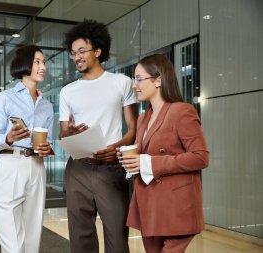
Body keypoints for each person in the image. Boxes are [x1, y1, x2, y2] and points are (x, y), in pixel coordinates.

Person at [59, 19, 137, 253]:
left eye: (82, 51)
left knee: (117, 237)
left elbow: (133, 128)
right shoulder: (67, 91)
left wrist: (115, 149)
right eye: (73, 53)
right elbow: (63, 133)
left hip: (111, 168)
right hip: (78, 169)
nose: (77, 57)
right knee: (80, 237)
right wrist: (69, 133)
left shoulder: (121, 83)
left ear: (98, 51)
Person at [118, 54, 209, 253]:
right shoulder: (143, 118)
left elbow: (200, 156)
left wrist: (149, 163)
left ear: (158, 80)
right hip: (148, 204)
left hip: (176, 205)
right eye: (134, 79)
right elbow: (142, 159)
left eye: (139, 79)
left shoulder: (181, 111)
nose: (135, 85)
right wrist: (131, 161)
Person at [0, 45, 54, 253]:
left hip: (37, 166)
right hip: (11, 165)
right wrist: (8, 137)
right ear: (25, 65)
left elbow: (49, 141)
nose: (43, 66)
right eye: (37, 62)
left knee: (32, 237)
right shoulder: (5, 98)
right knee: (13, 244)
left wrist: (46, 147)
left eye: (44, 62)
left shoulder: (47, 106)